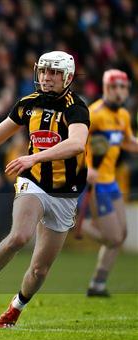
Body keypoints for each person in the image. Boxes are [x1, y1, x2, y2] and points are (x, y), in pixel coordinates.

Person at [0, 51, 90, 328]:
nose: (47, 77)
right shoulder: (27, 104)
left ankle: (15, 308)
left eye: (54, 73)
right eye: (44, 71)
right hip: (32, 181)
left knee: (39, 268)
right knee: (20, 236)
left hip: (66, 194)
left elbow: (77, 144)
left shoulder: (76, 107)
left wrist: (34, 156)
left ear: (67, 77)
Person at [80, 69, 137, 297]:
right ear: (105, 88)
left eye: (123, 87)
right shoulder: (94, 113)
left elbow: (128, 142)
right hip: (97, 184)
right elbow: (77, 142)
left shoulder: (123, 115)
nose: (119, 92)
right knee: (113, 238)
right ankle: (76, 224)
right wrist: (86, 168)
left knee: (120, 236)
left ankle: (98, 284)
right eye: (114, 87)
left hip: (112, 182)